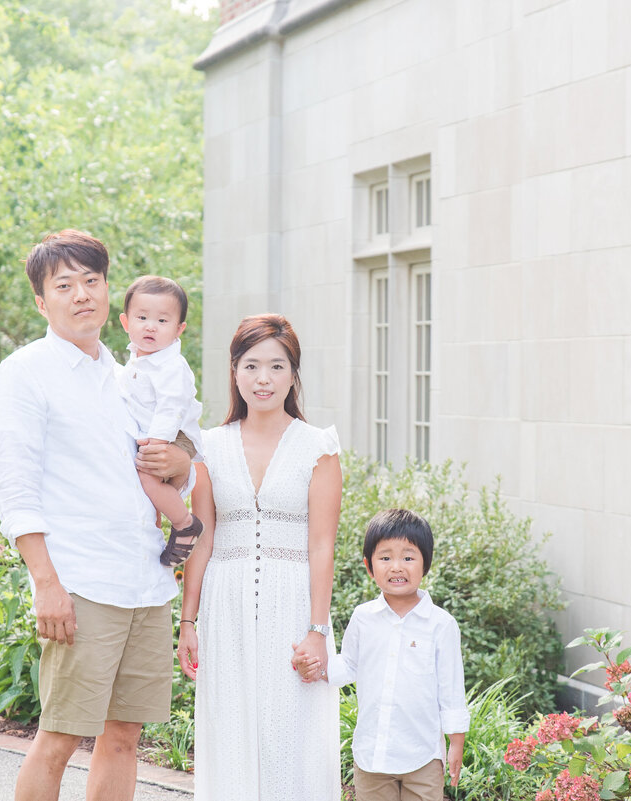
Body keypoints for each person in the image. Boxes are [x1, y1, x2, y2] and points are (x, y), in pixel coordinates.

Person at [0, 230, 193, 801]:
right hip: (82, 585)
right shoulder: (24, 374)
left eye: (92, 281)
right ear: (40, 301)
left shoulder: (126, 375)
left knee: (123, 738)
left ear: (107, 291)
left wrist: (182, 464)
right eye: (64, 285)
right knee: (59, 737)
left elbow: (165, 469)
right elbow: (15, 490)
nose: (81, 294)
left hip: (146, 583)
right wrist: (46, 584)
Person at [176, 313, 342, 800]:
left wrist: (317, 631)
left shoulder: (319, 447)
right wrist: (187, 622)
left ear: (293, 375)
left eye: (276, 366)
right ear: (234, 372)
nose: (263, 378)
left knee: (293, 736)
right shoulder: (208, 447)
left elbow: (322, 545)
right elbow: (202, 538)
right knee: (228, 734)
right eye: (251, 366)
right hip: (224, 608)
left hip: (293, 608)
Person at [297, 509, 470, 801]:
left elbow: (451, 689)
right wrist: (315, 667)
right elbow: (348, 664)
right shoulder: (363, 617)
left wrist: (456, 741)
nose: (397, 567)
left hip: (423, 757)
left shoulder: (441, 625)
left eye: (408, 558)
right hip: (372, 756)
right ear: (369, 566)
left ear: (426, 563)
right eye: (386, 558)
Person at [116, 275, 205, 566]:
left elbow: (171, 408)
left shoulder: (171, 366)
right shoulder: (134, 362)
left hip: (175, 435)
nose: (151, 326)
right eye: (142, 318)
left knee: (146, 477)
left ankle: (185, 524)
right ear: (126, 322)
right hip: (154, 435)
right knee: (145, 486)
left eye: (162, 321)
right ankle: (153, 534)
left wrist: (157, 442)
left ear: (179, 329)